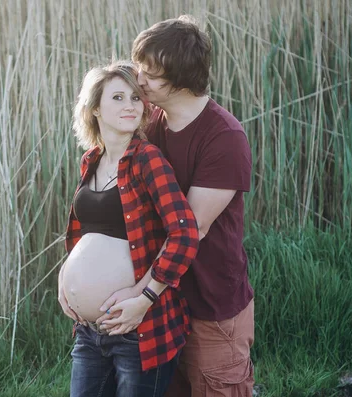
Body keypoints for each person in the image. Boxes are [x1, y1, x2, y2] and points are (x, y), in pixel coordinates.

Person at [100, 16, 255, 397]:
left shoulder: (224, 138)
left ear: (180, 78)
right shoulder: (150, 122)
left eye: (149, 74)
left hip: (209, 303)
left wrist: (140, 295)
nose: (139, 80)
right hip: (162, 305)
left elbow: (190, 230)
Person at [58, 60, 200, 397]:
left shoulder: (146, 159)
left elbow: (185, 234)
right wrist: (68, 283)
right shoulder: (91, 159)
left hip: (140, 329)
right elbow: (87, 235)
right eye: (118, 98)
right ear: (94, 109)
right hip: (90, 331)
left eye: (136, 98)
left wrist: (144, 297)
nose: (131, 106)